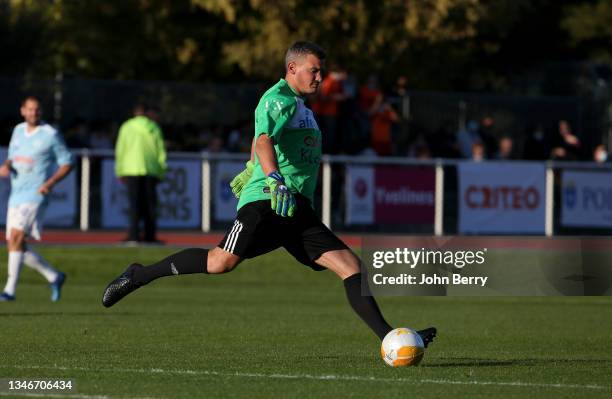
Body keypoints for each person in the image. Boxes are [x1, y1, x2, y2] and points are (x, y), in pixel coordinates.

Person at [102, 41, 436, 348]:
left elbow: (264, 141)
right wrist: (271, 178)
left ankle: (393, 339)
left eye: (321, 71)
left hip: (295, 207)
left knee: (352, 268)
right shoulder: (279, 98)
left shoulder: (301, 106)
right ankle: (139, 274)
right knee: (220, 262)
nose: (320, 77)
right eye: (314, 70)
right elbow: (264, 138)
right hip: (269, 199)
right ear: (292, 69)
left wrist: (252, 166)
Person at [0, 96, 73, 302]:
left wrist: (50, 183)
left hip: (36, 194)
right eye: (30, 109)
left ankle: (9, 291)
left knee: (16, 238)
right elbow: (12, 157)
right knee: (16, 245)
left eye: (37, 110)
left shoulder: (50, 134)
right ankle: (54, 276)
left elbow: (68, 162)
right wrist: (7, 166)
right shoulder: (17, 131)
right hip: (16, 194)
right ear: (23, 110)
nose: (34, 113)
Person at [115, 104, 167, 243]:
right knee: (150, 205)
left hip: (131, 169)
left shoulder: (126, 127)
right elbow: (161, 151)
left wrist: (119, 170)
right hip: (151, 170)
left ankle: (134, 235)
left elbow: (121, 149)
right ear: (147, 113)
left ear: (134, 113)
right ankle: (150, 236)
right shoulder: (154, 127)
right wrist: (161, 171)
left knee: (134, 204)